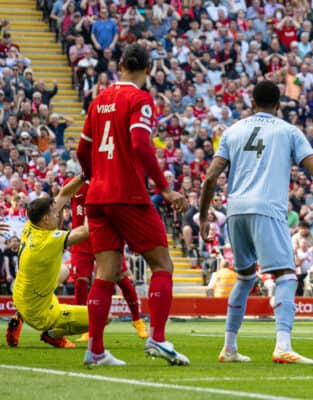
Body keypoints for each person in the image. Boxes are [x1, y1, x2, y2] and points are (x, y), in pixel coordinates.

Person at [198, 80, 313, 364]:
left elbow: (210, 177)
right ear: (279, 106)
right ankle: (283, 344)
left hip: (235, 210)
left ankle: (229, 347)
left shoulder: (232, 131)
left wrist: (204, 216)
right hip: (267, 208)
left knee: (245, 277)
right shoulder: (289, 131)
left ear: (252, 103)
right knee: (287, 276)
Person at [76, 43, 189, 367]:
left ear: (120, 64)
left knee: (106, 273)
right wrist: (165, 189)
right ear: (148, 70)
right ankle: (157, 338)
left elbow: (82, 151)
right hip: (128, 195)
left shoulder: (98, 100)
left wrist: (94, 176)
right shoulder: (140, 99)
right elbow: (140, 143)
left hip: (97, 197)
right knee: (162, 264)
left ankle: (95, 350)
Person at [6, 176, 90, 349]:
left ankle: (18, 317)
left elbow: (65, 193)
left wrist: (84, 176)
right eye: (54, 212)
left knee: (68, 270)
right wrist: (96, 203)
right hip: (40, 314)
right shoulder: (48, 240)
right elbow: (87, 230)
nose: (58, 213)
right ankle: (51, 335)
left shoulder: (31, 225)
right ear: (45, 219)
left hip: (21, 296)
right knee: (103, 317)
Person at [67, 178, 148, 342]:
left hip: (104, 235)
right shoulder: (75, 182)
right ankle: (85, 326)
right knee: (81, 283)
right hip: (80, 239)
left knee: (123, 280)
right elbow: (61, 195)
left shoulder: (109, 183)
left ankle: (137, 320)